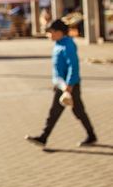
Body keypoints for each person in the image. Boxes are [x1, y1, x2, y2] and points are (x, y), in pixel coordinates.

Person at [25, 19, 97, 148]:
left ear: (59, 32)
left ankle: (90, 135)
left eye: (51, 32)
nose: (49, 35)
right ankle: (44, 137)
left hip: (69, 86)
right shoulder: (58, 43)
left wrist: (68, 87)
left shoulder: (68, 45)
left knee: (76, 111)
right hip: (61, 85)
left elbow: (73, 67)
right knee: (58, 112)